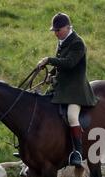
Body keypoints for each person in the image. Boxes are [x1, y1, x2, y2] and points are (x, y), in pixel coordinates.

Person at [37, 13, 98, 167]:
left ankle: (77, 151)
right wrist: (49, 76)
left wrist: (49, 60)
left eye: (58, 30)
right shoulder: (62, 41)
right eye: (54, 31)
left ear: (67, 27)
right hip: (61, 87)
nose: (56, 33)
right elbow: (60, 66)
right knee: (41, 110)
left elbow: (69, 63)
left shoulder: (78, 43)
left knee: (71, 116)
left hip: (75, 90)